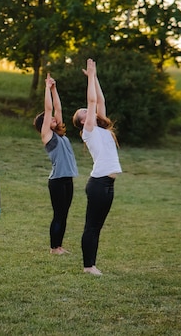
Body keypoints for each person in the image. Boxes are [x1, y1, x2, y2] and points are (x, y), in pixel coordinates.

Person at [72, 59, 121, 276]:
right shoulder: (88, 131)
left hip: (107, 184)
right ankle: (88, 266)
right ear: (83, 122)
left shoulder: (100, 128)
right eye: (85, 113)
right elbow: (91, 101)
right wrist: (90, 77)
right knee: (92, 226)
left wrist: (95, 76)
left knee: (97, 227)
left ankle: (91, 264)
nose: (88, 111)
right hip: (98, 184)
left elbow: (99, 100)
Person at [33, 73, 78, 255]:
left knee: (64, 214)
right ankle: (54, 248)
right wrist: (46, 89)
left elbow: (57, 109)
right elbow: (50, 108)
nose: (53, 119)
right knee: (59, 214)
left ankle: (59, 246)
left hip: (67, 179)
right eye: (49, 118)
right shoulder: (48, 136)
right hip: (57, 180)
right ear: (43, 124)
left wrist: (54, 89)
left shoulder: (58, 133)